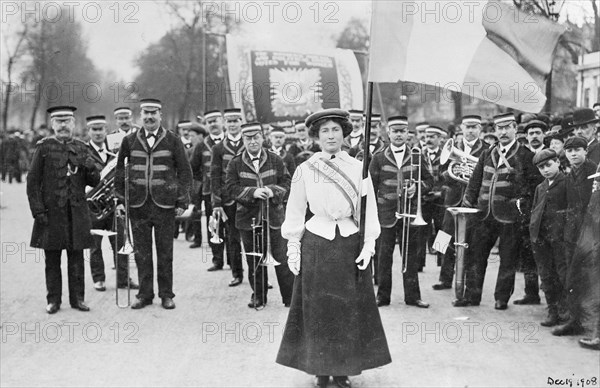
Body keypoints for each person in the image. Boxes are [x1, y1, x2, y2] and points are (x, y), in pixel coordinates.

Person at [276, 109, 391, 388]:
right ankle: (320, 370)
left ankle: (342, 371)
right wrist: (293, 245)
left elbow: (369, 210)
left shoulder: (357, 168)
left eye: (336, 130)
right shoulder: (305, 169)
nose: (331, 135)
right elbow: (295, 209)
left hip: (349, 242)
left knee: (346, 309)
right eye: (325, 130)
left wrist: (368, 244)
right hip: (317, 242)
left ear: (344, 134)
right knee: (318, 309)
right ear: (316, 136)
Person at [115, 98, 192, 310]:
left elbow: (185, 172)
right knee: (141, 253)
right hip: (137, 206)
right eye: (145, 113)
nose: (149, 117)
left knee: (165, 252)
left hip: (164, 206)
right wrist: (120, 200)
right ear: (141, 116)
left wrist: (182, 200)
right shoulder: (129, 141)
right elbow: (120, 172)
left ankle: (166, 294)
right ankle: (145, 295)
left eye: (153, 113)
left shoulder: (173, 140)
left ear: (160, 115)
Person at [460, 112, 539, 309]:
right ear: (495, 131)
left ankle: (501, 298)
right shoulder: (487, 153)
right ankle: (472, 296)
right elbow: (475, 181)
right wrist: (468, 201)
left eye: (507, 128)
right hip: (483, 214)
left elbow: (533, 188)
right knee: (476, 256)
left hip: (510, 217)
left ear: (515, 128)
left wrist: (521, 208)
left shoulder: (525, 155)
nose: (503, 132)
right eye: (499, 128)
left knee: (508, 258)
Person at [27, 106, 100, 314]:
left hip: (76, 213)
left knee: (77, 258)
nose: (63, 125)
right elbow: (32, 182)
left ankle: (78, 299)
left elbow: (94, 182)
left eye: (67, 121)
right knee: (52, 259)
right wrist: (38, 210)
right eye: (58, 121)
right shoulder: (43, 147)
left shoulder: (82, 147)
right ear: (52, 124)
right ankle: (53, 300)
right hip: (51, 214)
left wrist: (90, 167)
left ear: (74, 124)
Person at [225, 123, 294, 308]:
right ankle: (259, 296)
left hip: (274, 218)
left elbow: (287, 183)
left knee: (282, 258)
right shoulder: (235, 163)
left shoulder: (276, 160)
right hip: (248, 219)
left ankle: (290, 298)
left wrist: (273, 191)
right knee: (254, 259)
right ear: (243, 140)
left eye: (256, 137)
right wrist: (252, 193)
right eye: (248, 138)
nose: (253, 141)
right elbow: (230, 189)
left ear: (263, 138)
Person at [370, 115, 433, 308]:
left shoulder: (417, 155)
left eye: (402, 131)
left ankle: (413, 297)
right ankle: (382, 297)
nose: (398, 135)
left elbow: (430, 181)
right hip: (386, 215)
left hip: (410, 214)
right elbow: (371, 186)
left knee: (410, 258)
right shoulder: (378, 157)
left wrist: (418, 188)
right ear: (388, 133)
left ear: (408, 133)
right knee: (383, 258)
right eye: (395, 131)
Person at [433, 115, 488, 291]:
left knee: (471, 241)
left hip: (474, 201)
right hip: (453, 198)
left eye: (474, 127)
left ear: (480, 129)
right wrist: (452, 174)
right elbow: (441, 173)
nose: (471, 130)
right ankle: (444, 277)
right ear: (461, 128)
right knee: (444, 236)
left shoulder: (486, 149)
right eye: (467, 127)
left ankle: (465, 280)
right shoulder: (452, 148)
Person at [85, 115, 138, 292]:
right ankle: (98, 278)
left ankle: (124, 279)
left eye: (101, 129)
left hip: (115, 204)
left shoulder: (115, 150)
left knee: (120, 242)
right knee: (95, 244)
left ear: (106, 131)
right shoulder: (83, 151)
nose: (98, 133)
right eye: (94, 129)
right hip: (93, 206)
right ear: (89, 131)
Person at [553, 136, 598, 335]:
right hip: (572, 233)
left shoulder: (593, 171)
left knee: (592, 280)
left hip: (590, 233)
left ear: (585, 151)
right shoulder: (570, 173)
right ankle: (575, 321)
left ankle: (594, 327)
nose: (573, 154)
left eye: (577, 150)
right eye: (569, 151)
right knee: (572, 279)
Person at [529, 149, 568, 327]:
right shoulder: (540, 187)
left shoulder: (566, 183)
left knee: (562, 274)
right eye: (541, 167)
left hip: (559, 238)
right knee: (546, 275)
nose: (545, 170)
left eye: (548, 165)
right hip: (541, 238)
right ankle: (552, 311)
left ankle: (565, 312)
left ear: (558, 163)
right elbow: (536, 211)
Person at [211, 108, 245, 286]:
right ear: (225, 124)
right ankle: (237, 274)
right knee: (233, 238)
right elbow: (214, 176)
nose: (232, 125)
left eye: (235, 121)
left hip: (250, 198)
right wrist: (216, 202)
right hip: (228, 199)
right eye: (229, 121)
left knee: (256, 236)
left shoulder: (250, 143)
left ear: (241, 122)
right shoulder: (218, 148)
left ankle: (260, 273)